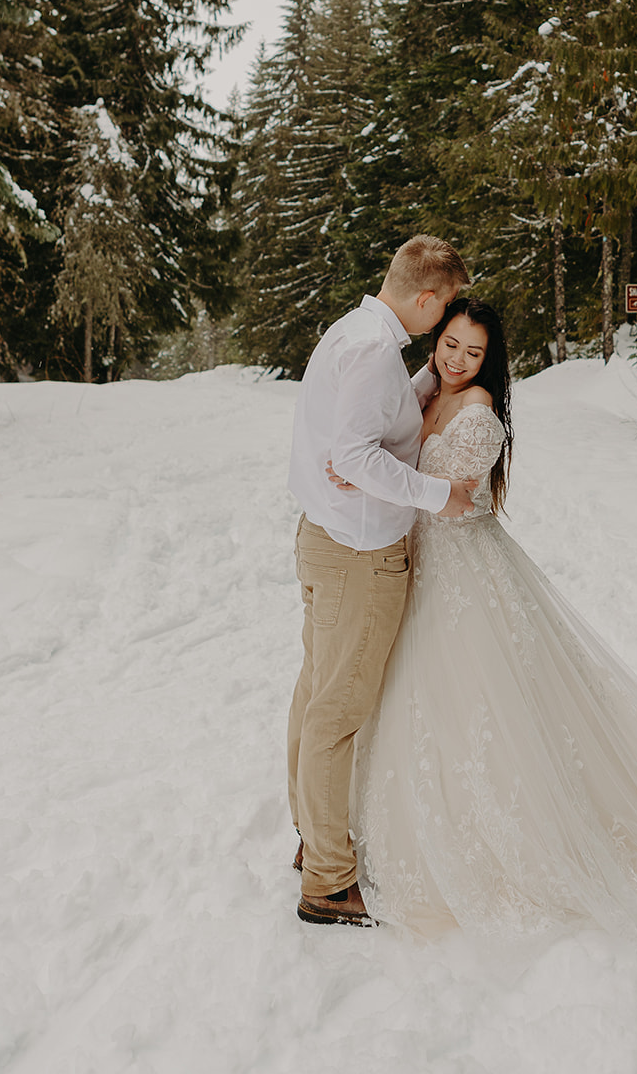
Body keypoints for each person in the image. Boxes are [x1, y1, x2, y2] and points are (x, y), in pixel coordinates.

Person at [349, 296, 637, 943]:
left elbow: (452, 504)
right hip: (426, 567)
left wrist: (374, 479)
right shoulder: (429, 389)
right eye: (450, 344)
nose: (456, 359)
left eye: (472, 352)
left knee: (478, 707)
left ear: (491, 362)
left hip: (461, 574)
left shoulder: (479, 415)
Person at [287, 236, 478, 927]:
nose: (446, 315)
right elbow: (356, 452)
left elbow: (369, 425)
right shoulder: (372, 349)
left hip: (327, 538)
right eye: (446, 304)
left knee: (316, 694)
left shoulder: (359, 330)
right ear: (427, 298)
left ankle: (314, 840)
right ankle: (329, 883)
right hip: (359, 553)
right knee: (336, 713)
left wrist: (429, 382)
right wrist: (436, 494)